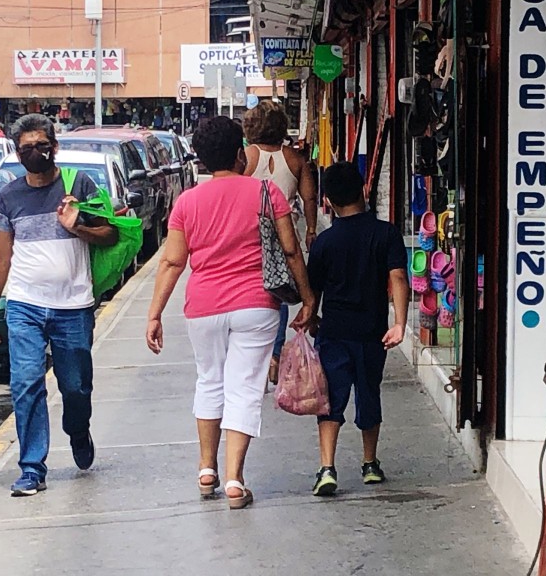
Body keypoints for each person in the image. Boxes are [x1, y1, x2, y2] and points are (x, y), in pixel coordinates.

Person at [146, 116, 315, 510]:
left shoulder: (187, 202)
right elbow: (291, 251)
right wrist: (308, 299)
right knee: (244, 388)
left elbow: (172, 263)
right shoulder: (265, 192)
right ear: (240, 154)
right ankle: (235, 480)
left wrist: (154, 314)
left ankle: (206, 470)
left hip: (203, 307)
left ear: (202, 161)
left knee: (209, 381)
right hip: (256, 305)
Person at [0, 113, 118, 497]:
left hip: (73, 305)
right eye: (27, 149)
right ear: (17, 153)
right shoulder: (9, 196)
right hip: (24, 303)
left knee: (75, 387)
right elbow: (1, 256)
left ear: (54, 147)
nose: (36, 153)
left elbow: (109, 235)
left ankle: (78, 429)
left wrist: (78, 226)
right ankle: (31, 467)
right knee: (26, 384)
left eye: (42, 146)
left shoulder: (80, 185)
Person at [306, 161, 410, 497]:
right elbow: (398, 278)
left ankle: (326, 468)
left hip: (334, 332)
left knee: (330, 400)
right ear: (365, 191)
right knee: (369, 394)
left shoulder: (324, 242)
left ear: (329, 201)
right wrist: (400, 324)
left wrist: (310, 318)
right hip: (372, 333)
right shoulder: (386, 233)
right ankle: (369, 464)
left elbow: (313, 291)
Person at [243, 99, 318, 386]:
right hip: (285, 231)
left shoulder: (246, 157)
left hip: (252, 234)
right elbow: (309, 197)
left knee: (255, 288)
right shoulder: (296, 159)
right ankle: (274, 354)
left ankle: (258, 353)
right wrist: (311, 228)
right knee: (281, 290)